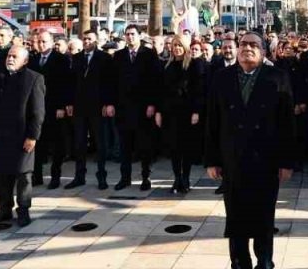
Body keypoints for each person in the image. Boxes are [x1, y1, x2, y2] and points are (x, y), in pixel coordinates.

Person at [204, 31, 295, 269]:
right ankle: (239, 262)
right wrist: (212, 160)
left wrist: (286, 163)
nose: (247, 48)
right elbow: (212, 121)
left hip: (265, 161)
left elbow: (287, 124)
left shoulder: (277, 77)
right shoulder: (221, 78)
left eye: (254, 45)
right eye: (243, 44)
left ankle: (264, 261)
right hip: (233, 160)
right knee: (235, 217)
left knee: (264, 217)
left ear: (263, 51)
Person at [0, 45, 45, 228]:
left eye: (14, 56)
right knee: (2, 176)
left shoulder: (34, 79)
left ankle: (23, 210)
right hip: (0, 136)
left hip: (22, 136)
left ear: (24, 61)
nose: (10, 59)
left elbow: (38, 112)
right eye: (9, 56)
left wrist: (33, 136)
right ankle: (4, 210)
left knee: (23, 177)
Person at [111, 26, 160, 192]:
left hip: (143, 108)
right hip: (123, 109)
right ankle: (125, 178)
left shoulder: (149, 55)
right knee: (125, 146)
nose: (130, 37)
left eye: (133, 34)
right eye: (128, 34)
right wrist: (111, 103)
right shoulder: (118, 56)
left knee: (144, 145)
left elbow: (155, 81)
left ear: (139, 36)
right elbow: (113, 82)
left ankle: (146, 177)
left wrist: (152, 104)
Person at [156, 36, 206, 195]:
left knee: (187, 148)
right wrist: (159, 112)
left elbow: (199, 90)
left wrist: (196, 111)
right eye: (174, 45)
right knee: (174, 148)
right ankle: (177, 178)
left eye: (179, 45)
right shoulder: (168, 65)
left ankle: (186, 178)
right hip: (171, 113)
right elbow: (161, 92)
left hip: (188, 112)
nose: (177, 48)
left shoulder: (194, 64)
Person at [65, 30, 113, 190]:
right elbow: (71, 83)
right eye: (84, 39)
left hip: (97, 106)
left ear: (96, 41)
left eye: (89, 39)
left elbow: (108, 83)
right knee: (79, 143)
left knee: (100, 143)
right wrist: (69, 103)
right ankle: (79, 176)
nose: (86, 42)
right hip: (79, 107)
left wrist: (107, 103)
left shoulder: (104, 58)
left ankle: (101, 176)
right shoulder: (77, 58)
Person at [27, 30, 72, 189]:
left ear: (52, 43)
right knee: (37, 143)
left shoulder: (61, 59)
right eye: (39, 41)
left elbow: (66, 84)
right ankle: (36, 176)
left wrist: (62, 106)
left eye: (44, 41)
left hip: (54, 107)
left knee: (56, 144)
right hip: (36, 108)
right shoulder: (33, 60)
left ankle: (55, 176)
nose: (41, 44)